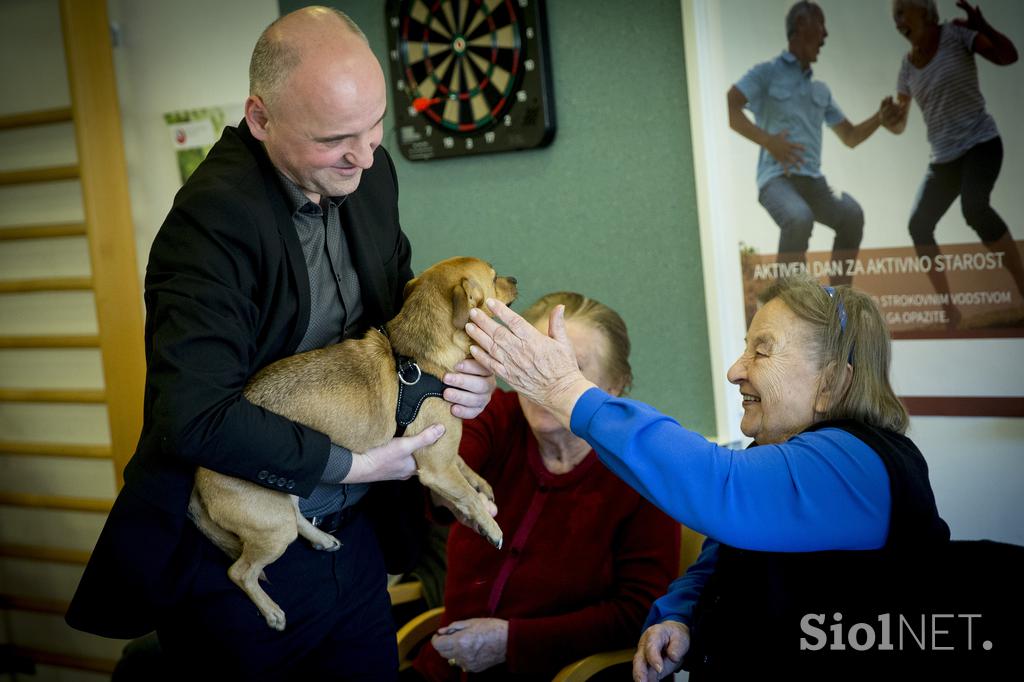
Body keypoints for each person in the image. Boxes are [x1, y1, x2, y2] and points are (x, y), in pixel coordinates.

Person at [65, 7, 496, 680]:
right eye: (335, 138)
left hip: (352, 540)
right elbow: (194, 416)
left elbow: (399, 326)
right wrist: (353, 466)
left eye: (374, 124)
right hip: (233, 544)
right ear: (261, 119)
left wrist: (465, 375)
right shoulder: (209, 224)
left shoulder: (371, 173)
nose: (364, 154)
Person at [462, 275, 954, 677]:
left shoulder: (860, 466)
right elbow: (724, 556)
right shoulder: (778, 451)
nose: (736, 370)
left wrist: (566, 389)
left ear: (833, 382)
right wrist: (681, 614)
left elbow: (723, 486)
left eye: (762, 351)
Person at [406, 293, 680, 680]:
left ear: (615, 386)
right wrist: (444, 480)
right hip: (447, 667)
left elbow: (637, 611)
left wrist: (512, 640)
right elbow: (445, 465)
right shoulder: (498, 416)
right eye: (532, 363)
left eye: (570, 368)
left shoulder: (641, 472)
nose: (542, 382)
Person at [882, 0, 1024, 326]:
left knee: (974, 207)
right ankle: (949, 309)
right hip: (943, 160)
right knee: (919, 225)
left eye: (903, 12)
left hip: (981, 144)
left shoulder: (956, 35)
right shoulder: (907, 65)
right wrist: (890, 118)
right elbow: (900, 121)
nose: (898, 22)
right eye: (895, 17)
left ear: (925, 11)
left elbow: (1008, 56)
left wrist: (983, 27)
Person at [729, 1, 887, 284]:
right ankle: (788, 299)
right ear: (801, 25)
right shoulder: (767, 73)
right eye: (820, 24)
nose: (825, 35)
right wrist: (769, 142)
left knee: (851, 215)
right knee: (799, 218)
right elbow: (732, 105)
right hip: (777, 181)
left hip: (814, 183)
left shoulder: (820, 90)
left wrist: (881, 118)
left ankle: (839, 300)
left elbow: (849, 136)